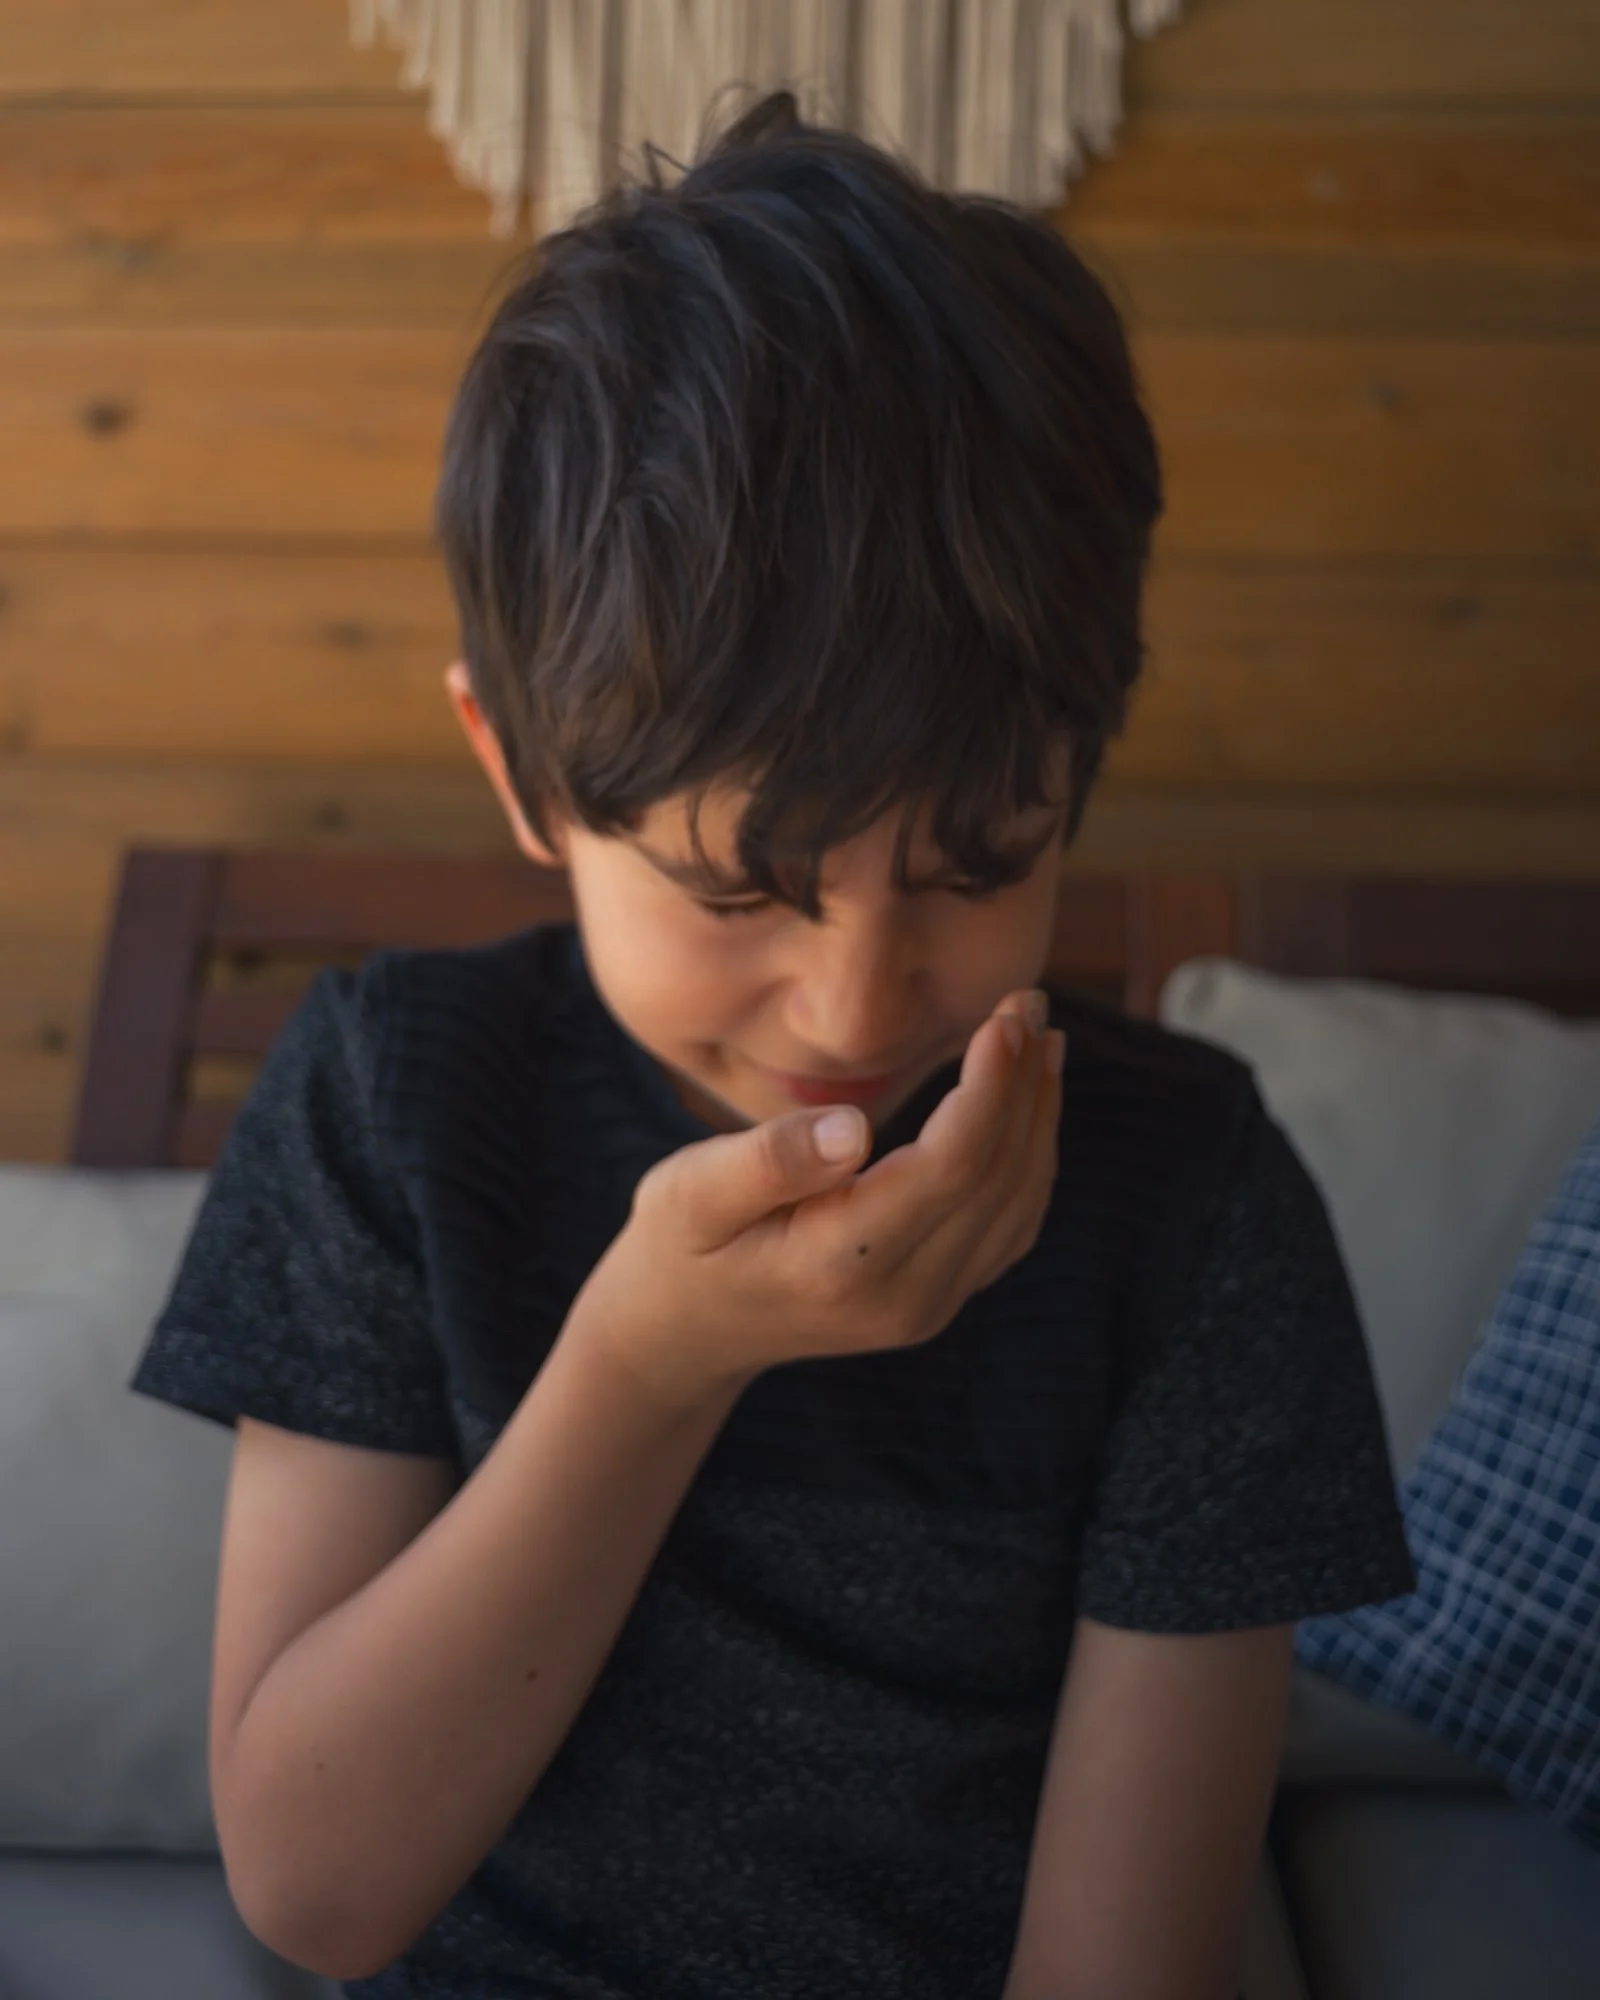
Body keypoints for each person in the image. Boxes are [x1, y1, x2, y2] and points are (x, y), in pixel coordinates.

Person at [128, 87, 1414, 2000]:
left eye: (980, 866)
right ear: (524, 779)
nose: (859, 1005)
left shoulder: (1190, 1200)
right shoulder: (397, 1100)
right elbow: (316, 1888)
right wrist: (651, 1360)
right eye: (740, 896)